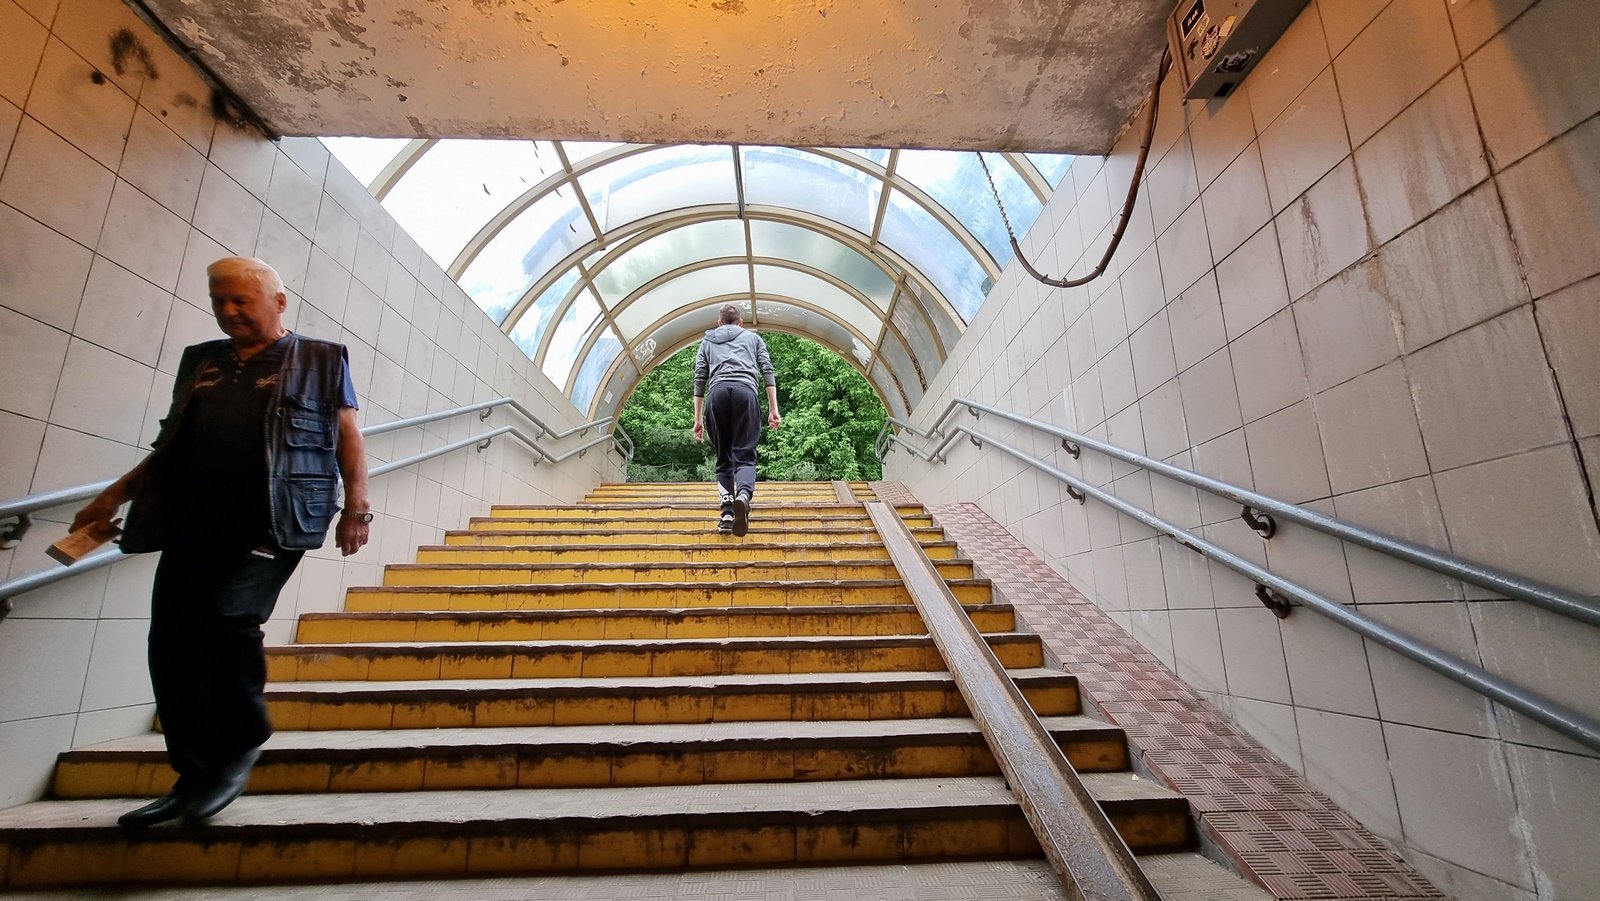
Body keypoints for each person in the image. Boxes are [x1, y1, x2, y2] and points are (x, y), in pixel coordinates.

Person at [71, 257, 371, 829]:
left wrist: (357, 509)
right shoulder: (201, 361)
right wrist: (114, 495)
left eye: (241, 301)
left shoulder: (320, 358)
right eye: (219, 301)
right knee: (172, 641)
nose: (229, 311)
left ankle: (237, 746)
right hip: (192, 519)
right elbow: (171, 444)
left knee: (226, 619)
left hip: (273, 520)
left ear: (278, 303)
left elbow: (349, 438)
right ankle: (193, 774)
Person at [692, 303, 780, 535]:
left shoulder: (708, 341)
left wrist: (698, 418)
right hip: (745, 393)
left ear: (720, 323)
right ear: (740, 323)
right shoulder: (753, 339)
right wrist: (773, 409)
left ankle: (727, 514)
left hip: (717, 394)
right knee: (745, 455)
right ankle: (743, 494)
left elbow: (700, 378)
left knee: (724, 458)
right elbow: (767, 371)